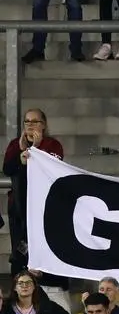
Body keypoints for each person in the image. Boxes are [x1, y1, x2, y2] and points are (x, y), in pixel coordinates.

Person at [4, 109, 64, 276]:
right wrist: (20, 158)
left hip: (43, 206)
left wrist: (34, 151)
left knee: (41, 245)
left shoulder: (52, 144)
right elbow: (7, 168)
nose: (30, 125)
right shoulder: (15, 144)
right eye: (27, 121)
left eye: (34, 121)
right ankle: (18, 284)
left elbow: (53, 168)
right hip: (18, 207)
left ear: (43, 125)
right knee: (19, 249)